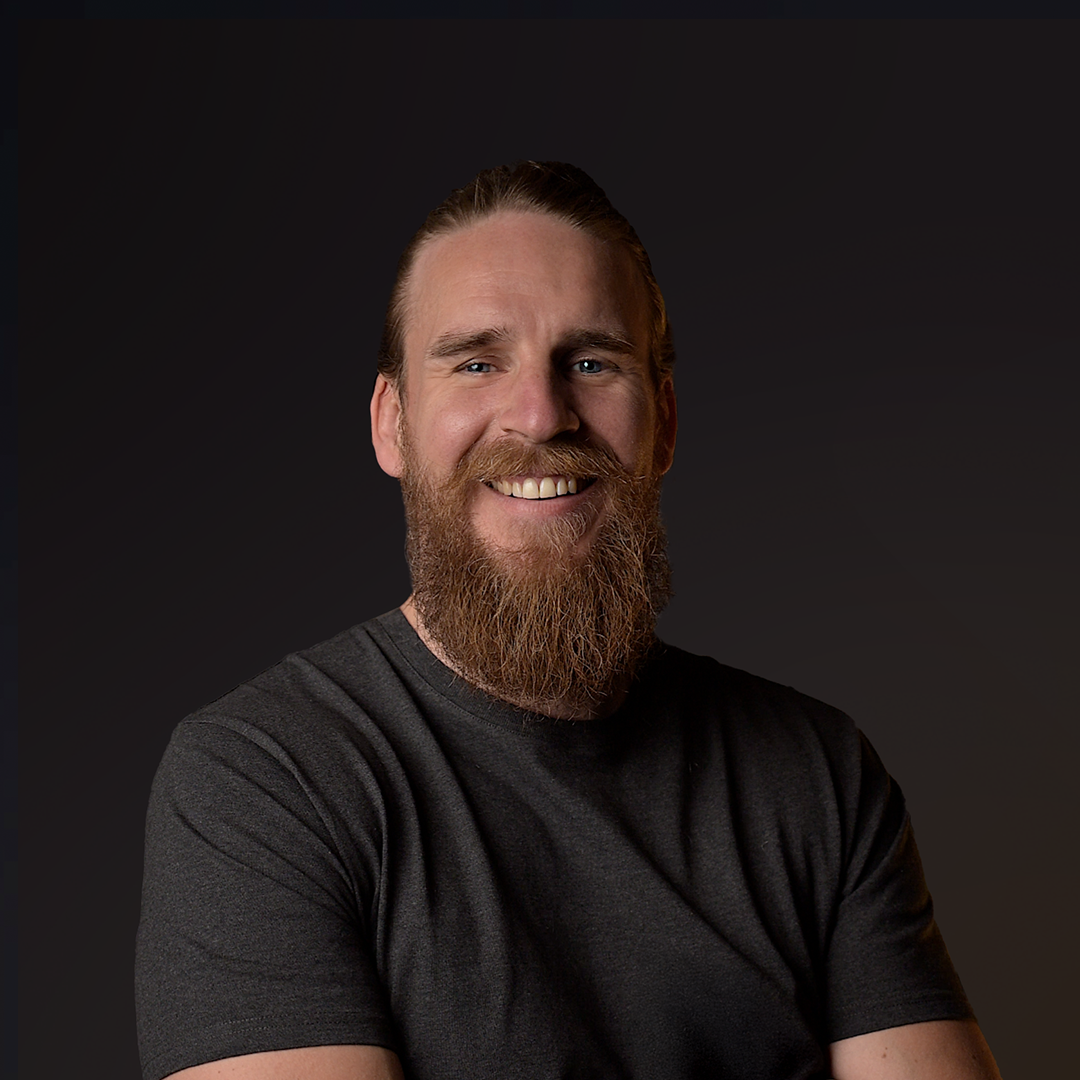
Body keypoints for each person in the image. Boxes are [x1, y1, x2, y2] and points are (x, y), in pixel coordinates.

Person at [135, 162, 1002, 1080]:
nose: (541, 414)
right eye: (476, 362)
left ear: (663, 422)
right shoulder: (267, 779)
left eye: (591, 362)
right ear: (392, 424)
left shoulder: (816, 774)